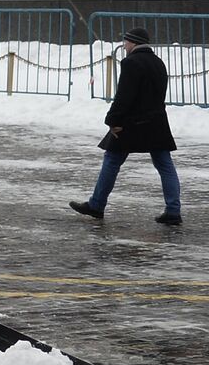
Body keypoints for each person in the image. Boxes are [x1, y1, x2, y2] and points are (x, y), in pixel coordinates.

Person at [71, 28, 181, 225]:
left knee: (112, 160)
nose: (124, 46)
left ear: (134, 43)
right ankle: (173, 210)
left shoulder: (131, 62)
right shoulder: (159, 63)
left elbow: (125, 95)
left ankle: (96, 205)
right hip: (157, 122)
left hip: (131, 124)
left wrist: (112, 120)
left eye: (126, 42)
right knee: (165, 165)